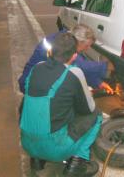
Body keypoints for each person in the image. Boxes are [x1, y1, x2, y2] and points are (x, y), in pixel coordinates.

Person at [20, 31, 102, 177]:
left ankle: (37, 161)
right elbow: (88, 108)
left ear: (50, 51)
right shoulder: (74, 72)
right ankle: (77, 164)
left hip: (27, 143)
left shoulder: (36, 68)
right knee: (96, 116)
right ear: (74, 56)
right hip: (56, 148)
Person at [18, 24, 114, 94]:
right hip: (31, 84)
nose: (87, 49)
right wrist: (106, 66)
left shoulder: (66, 39)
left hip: (42, 80)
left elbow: (77, 67)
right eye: (87, 46)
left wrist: (98, 83)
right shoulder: (59, 45)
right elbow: (80, 66)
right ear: (78, 41)